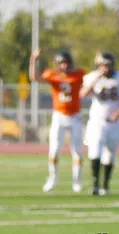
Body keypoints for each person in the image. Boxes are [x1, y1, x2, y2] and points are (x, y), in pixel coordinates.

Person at [30, 48, 87, 193]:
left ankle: (77, 182)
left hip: (75, 116)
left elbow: (90, 82)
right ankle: (53, 179)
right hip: (59, 116)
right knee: (54, 150)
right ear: (57, 64)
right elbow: (35, 78)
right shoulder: (52, 74)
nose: (65, 66)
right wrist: (34, 60)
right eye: (62, 63)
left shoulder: (79, 74)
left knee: (77, 152)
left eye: (67, 63)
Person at [80, 52, 119, 196]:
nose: (107, 68)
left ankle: (105, 185)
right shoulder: (92, 77)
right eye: (104, 65)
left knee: (110, 154)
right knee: (95, 150)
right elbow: (82, 95)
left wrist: (118, 114)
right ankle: (95, 185)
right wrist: (96, 78)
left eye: (109, 65)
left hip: (114, 122)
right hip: (97, 121)